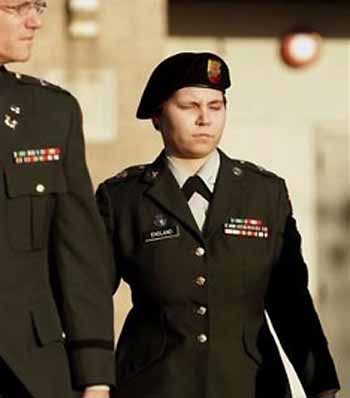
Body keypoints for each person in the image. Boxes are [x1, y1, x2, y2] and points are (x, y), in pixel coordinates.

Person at [96, 52, 340, 398]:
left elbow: (290, 299)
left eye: (215, 106)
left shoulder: (263, 193)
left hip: (250, 383)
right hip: (154, 385)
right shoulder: (122, 198)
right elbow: (89, 299)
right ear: (157, 116)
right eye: (189, 106)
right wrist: (91, 381)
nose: (204, 119)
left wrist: (322, 385)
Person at [0, 1, 115, 397]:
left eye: (39, 6)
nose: (35, 21)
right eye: (16, 8)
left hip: (29, 370)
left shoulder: (50, 111)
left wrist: (96, 376)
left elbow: (79, 254)